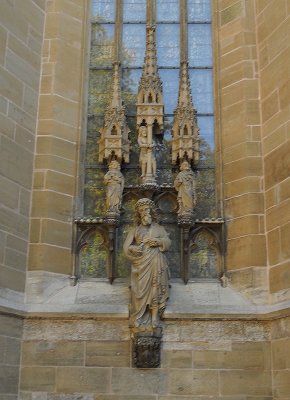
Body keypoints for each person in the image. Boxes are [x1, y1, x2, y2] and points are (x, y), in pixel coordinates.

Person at [123, 198, 170, 328]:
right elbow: (126, 247)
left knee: (156, 288)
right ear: (138, 213)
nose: (145, 212)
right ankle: (139, 315)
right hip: (141, 263)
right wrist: (134, 248)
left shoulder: (159, 228)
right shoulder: (135, 230)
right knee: (139, 291)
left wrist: (158, 242)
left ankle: (154, 317)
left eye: (147, 209)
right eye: (142, 210)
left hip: (156, 261)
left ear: (151, 212)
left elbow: (168, 242)